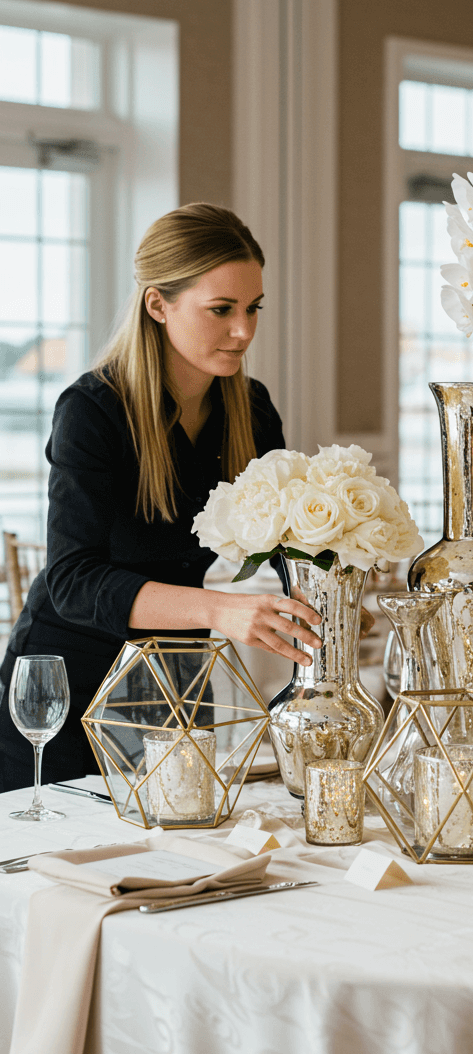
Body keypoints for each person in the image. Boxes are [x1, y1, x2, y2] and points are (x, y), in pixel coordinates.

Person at [0, 203, 323, 792]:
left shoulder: (251, 409)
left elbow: (287, 545)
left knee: (173, 857)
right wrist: (220, 610)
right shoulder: (93, 410)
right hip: (69, 684)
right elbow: (73, 582)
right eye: (221, 310)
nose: (244, 330)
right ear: (158, 304)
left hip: (176, 677)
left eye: (253, 308)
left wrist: (333, 589)